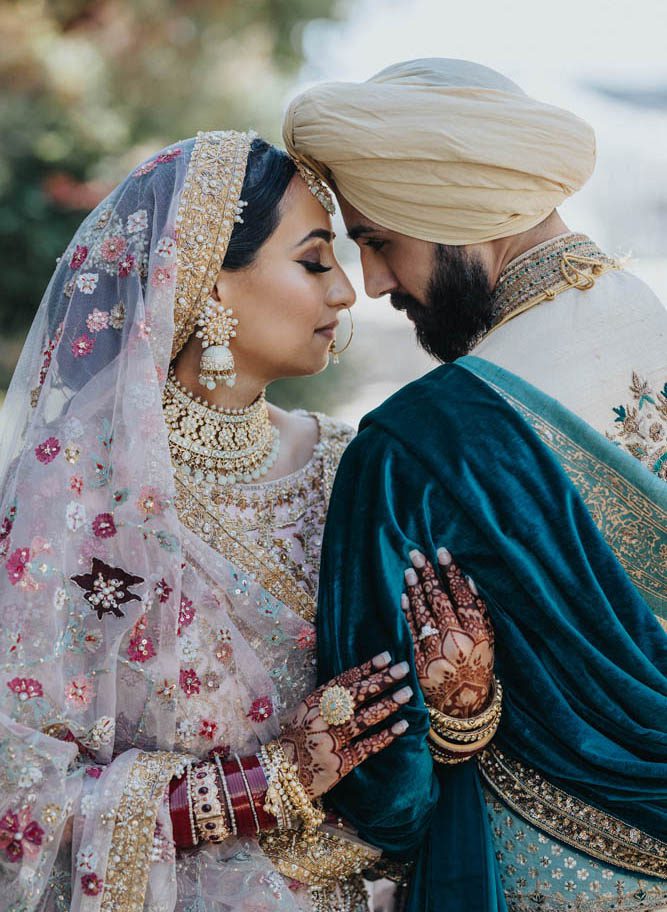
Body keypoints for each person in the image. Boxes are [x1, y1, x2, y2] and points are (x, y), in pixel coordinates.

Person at [0, 128, 496, 912]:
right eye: (314, 261)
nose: (347, 292)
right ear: (205, 282)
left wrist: (464, 706)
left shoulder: (353, 466)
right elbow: (17, 793)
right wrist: (264, 783)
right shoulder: (75, 487)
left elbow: (415, 740)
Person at [284, 59, 667, 911]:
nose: (374, 284)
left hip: (544, 876)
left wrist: (457, 720)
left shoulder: (414, 445)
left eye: (379, 240)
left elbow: (383, 789)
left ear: (449, 209)